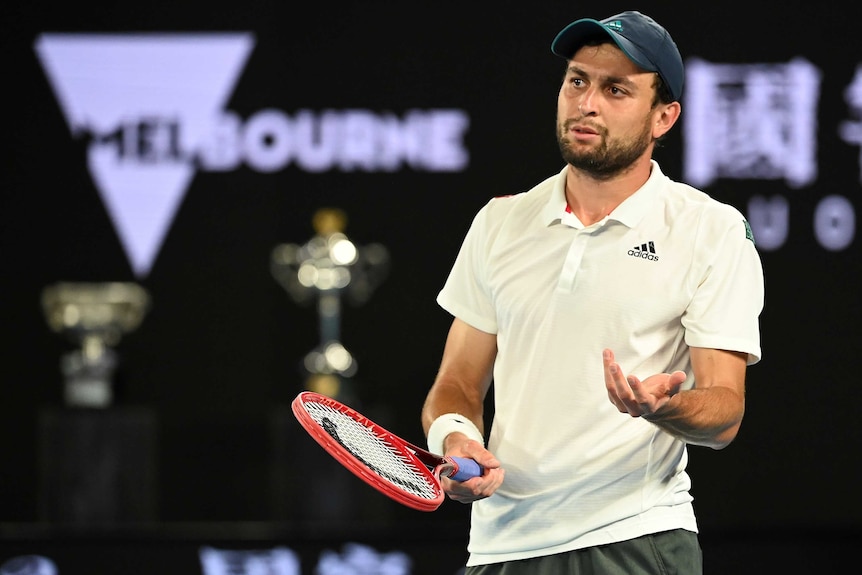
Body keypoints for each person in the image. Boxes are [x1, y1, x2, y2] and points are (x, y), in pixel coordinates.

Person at [420, 10, 764, 575]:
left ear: (664, 117)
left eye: (616, 89)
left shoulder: (710, 230)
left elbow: (725, 413)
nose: (587, 102)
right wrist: (455, 436)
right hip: (499, 549)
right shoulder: (500, 222)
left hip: (634, 541)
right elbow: (457, 382)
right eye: (577, 80)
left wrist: (664, 406)